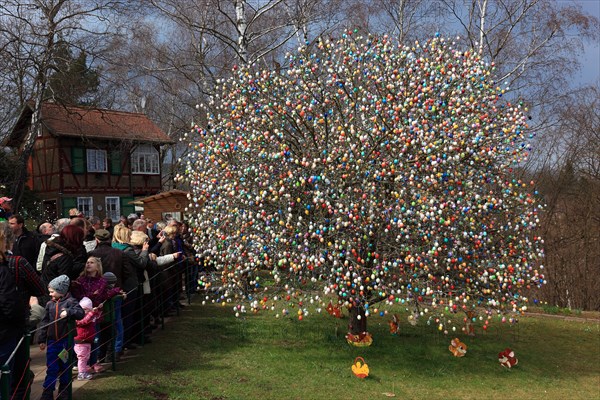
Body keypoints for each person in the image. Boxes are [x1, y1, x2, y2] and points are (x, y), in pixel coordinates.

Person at [0, 225, 46, 400]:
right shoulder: (17, 263)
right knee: (16, 374)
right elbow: (40, 288)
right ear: (10, 242)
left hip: (13, 323)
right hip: (13, 325)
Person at [38, 275, 85, 400]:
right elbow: (45, 322)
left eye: (52, 291)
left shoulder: (71, 302)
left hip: (65, 342)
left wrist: (69, 312)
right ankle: (47, 392)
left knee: (65, 367)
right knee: (51, 367)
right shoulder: (49, 304)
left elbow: (81, 313)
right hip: (52, 341)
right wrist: (42, 339)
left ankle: (64, 391)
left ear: (61, 290)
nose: (50, 294)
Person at [40, 224, 86, 289]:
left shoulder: (52, 249)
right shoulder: (65, 257)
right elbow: (63, 282)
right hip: (55, 293)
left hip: (46, 288)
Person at [74, 297, 100, 381]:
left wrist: (97, 310)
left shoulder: (90, 315)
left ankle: (84, 371)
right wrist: (92, 312)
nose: (85, 311)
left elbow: (96, 317)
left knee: (85, 357)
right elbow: (84, 321)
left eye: (87, 309)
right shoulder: (79, 318)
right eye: (83, 309)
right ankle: (81, 373)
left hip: (88, 340)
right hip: (80, 341)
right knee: (81, 358)